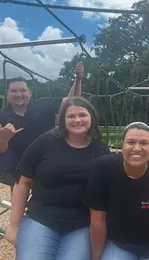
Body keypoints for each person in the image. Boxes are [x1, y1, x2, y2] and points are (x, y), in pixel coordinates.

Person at [5, 96, 110, 260]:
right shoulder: (46, 142)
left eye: (82, 115)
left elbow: (118, 175)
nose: (77, 120)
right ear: (63, 119)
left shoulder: (100, 150)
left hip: (80, 224)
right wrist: (14, 225)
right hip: (42, 218)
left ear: (91, 118)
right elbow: (22, 183)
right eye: (71, 116)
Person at [83, 122, 149, 260]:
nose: (137, 148)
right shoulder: (104, 169)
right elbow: (98, 221)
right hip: (120, 244)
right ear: (121, 146)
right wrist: (96, 258)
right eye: (130, 142)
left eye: (143, 143)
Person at [0, 62, 84, 187]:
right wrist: (3, 138)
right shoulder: (1, 115)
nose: (18, 94)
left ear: (30, 93)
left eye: (22, 90)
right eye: (14, 91)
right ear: (7, 96)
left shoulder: (44, 105)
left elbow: (72, 101)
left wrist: (78, 79)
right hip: (13, 169)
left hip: (45, 162)